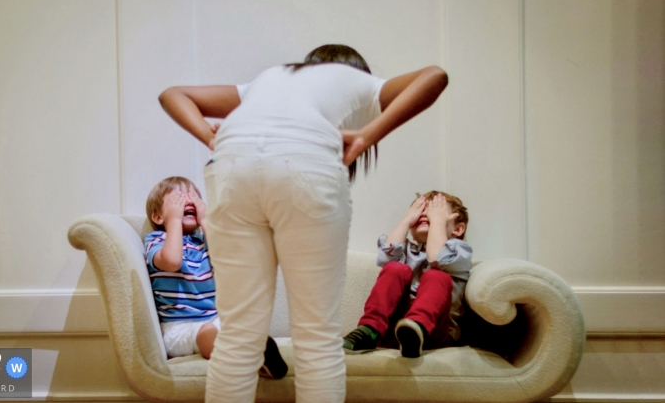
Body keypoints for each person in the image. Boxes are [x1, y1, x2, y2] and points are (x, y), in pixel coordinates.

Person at [158, 44, 449, 403]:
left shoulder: (268, 80)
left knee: (237, 337)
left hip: (232, 166)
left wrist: (209, 136)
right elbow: (435, 76)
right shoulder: (359, 82)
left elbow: (173, 94)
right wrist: (368, 134)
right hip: (305, 164)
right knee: (318, 340)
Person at [143, 176, 287, 379]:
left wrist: (206, 220)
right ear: (158, 217)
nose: (187, 201)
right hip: (178, 327)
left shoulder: (203, 241)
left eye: (192, 196)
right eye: (178, 198)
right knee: (208, 331)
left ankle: (260, 355)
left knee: (241, 322)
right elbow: (173, 261)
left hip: (215, 318)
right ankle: (245, 357)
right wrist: (174, 220)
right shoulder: (157, 240)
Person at [342, 191, 472, 358]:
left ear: (458, 229)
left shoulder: (459, 251)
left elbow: (436, 258)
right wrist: (407, 218)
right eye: (420, 211)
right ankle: (370, 329)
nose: (425, 213)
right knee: (395, 268)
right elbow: (386, 256)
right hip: (395, 332)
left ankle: (417, 329)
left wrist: (437, 221)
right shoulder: (406, 250)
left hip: (434, 335)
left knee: (436, 276)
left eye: (434, 210)